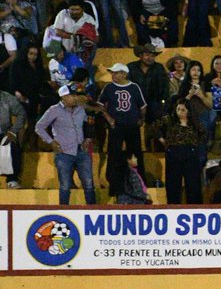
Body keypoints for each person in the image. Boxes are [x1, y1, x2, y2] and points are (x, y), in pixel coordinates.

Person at [36, 85, 94, 205]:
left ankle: (93, 210)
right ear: (64, 97)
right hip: (63, 152)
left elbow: (86, 124)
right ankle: (63, 211)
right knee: (65, 186)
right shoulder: (54, 110)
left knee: (89, 184)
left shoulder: (80, 109)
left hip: (81, 151)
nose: (76, 98)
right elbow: (39, 127)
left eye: (76, 95)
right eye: (72, 95)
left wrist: (88, 138)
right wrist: (50, 141)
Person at [97, 62, 147, 199]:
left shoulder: (134, 87)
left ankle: (139, 186)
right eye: (112, 73)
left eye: (115, 72)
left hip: (132, 126)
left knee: (135, 154)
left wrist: (141, 119)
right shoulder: (109, 88)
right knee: (114, 155)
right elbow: (100, 106)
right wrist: (109, 119)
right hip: (117, 126)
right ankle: (115, 186)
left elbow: (142, 106)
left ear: (124, 74)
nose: (113, 75)